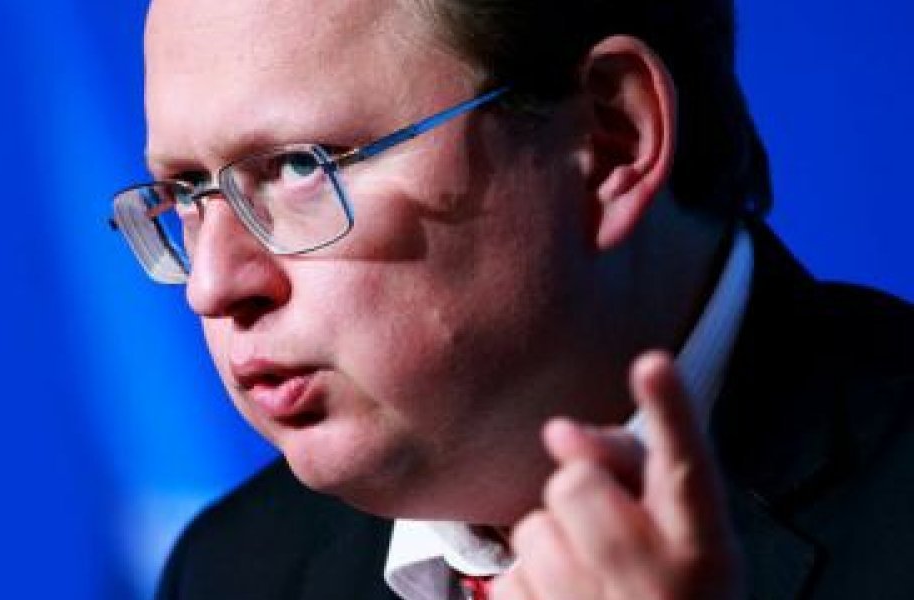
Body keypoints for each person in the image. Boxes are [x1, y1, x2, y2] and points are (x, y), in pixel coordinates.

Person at [108, 0, 914, 598]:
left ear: (610, 138)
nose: (214, 284)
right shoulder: (235, 571)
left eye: (299, 167)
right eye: (187, 191)